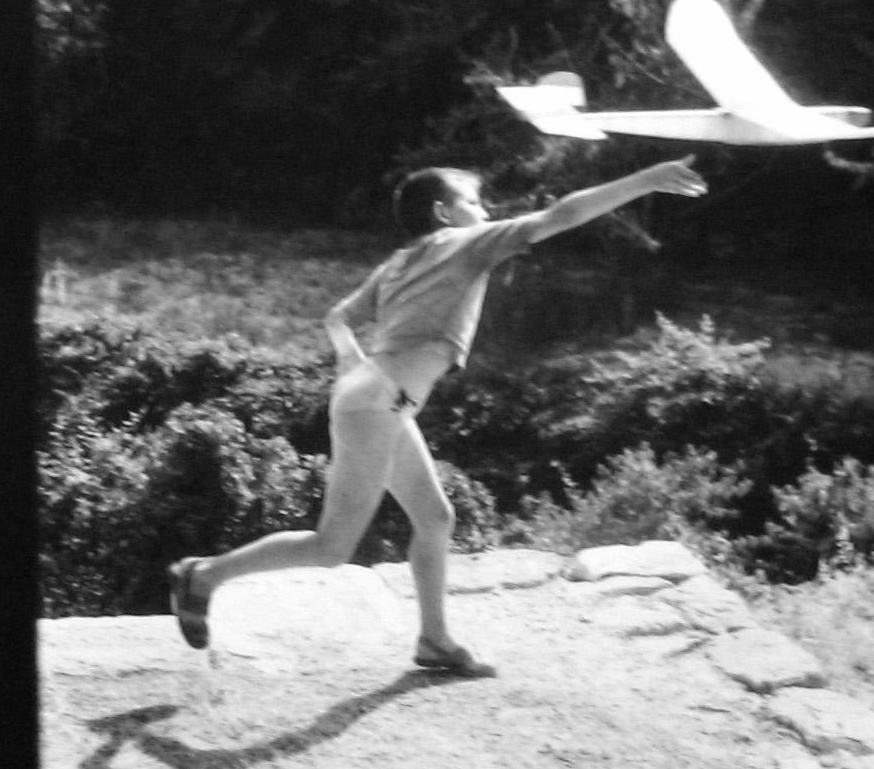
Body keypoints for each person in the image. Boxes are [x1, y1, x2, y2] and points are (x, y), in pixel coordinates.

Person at [169, 155, 708, 671]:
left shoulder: (402, 261)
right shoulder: (465, 243)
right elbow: (561, 214)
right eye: (475, 202)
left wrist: (351, 361)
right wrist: (647, 179)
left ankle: (434, 640)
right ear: (444, 214)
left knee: (435, 518)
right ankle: (203, 575)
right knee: (332, 546)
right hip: (376, 403)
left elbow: (339, 315)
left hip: (381, 399)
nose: (485, 213)